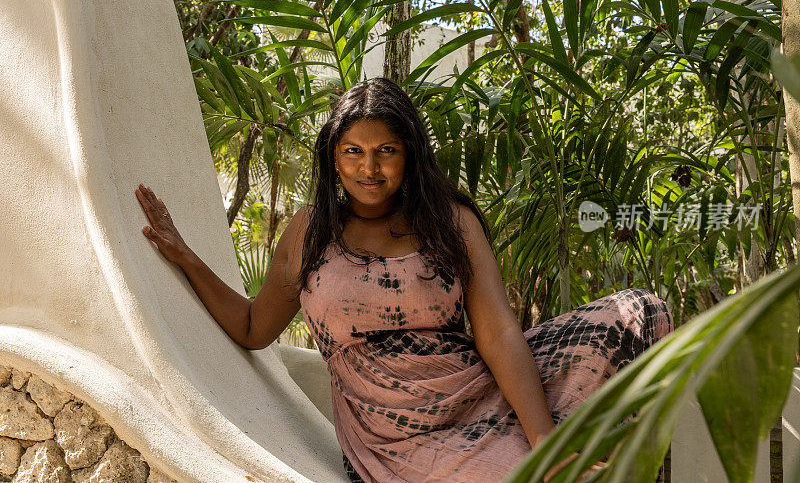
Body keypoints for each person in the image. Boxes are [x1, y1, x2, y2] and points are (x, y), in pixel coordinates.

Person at [135, 77, 673, 483]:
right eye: (354, 152)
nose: (370, 168)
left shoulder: (450, 221)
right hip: (388, 433)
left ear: (409, 154)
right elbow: (254, 326)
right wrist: (186, 257)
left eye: (385, 151)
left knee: (639, 314)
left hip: (471, 388)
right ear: (334, 159)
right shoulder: (311, 230)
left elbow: (497, 332)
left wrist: (543, 438)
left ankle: (565, 444)